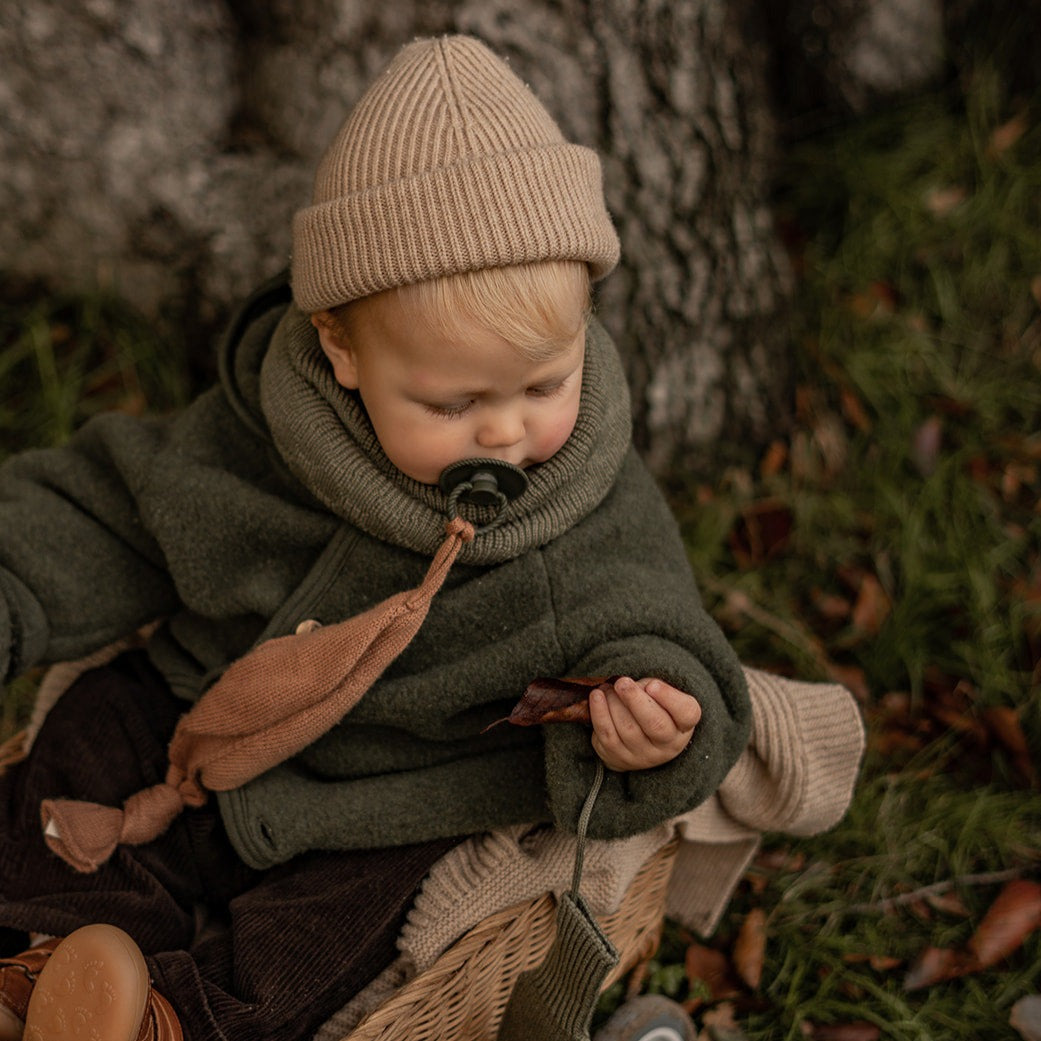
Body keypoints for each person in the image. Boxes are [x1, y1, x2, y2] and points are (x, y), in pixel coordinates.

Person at [0, 34, 750, 1041]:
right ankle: (50, 967)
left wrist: (656, 723)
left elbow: (660, 625)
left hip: (385, 795)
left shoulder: (580, 508)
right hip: (202, 714)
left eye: (544, 383)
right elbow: (113, 511)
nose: (505, 432)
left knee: (332, 929)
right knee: (86, 738)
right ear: (341, 348)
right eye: (453, 402)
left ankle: (172, 1022)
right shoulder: (268, 431)